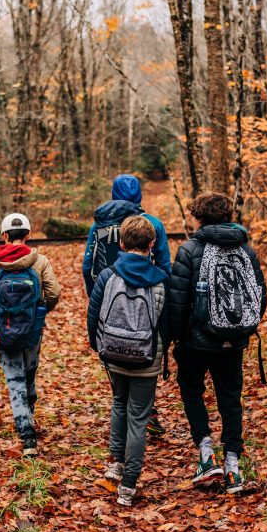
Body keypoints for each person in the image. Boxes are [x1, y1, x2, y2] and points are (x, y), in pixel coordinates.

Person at [168, 192, 267, 494]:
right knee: (230, 399)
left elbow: (178, 301)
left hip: (196, 341)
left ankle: (206, 454)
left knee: (191, 391)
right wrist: (241, 329)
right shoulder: (246, 250)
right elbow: (259, 295)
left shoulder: (189, 250)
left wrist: (173, 336)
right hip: (233, 343)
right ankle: (233, 469)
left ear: (198, 217)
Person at [87, 215, 170, 506]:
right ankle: (128, 486)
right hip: (147, 358)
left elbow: (93, 313)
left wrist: (99, 348)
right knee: (139, 417)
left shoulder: (109, 276)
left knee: (119, 403)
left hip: (113, 353)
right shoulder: (162, 281)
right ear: (152, 244)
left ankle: (115, 463)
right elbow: (168, 324)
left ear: (122, 244)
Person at [82, 173, 170, 436]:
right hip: (148, 300)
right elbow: (165, 265)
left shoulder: (98, 226)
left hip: (109, 300)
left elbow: (88, 266)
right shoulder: (153, 224)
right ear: (139, 194)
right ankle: (147, 411)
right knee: (145, 348)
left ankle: (122, 402)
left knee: (115, 347)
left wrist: (95, 295)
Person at [0, 213, 61, 457]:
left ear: (3, 236)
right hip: (32, 329)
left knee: (15, 380)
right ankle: (29, 413)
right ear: (28, 235)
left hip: (4, 329)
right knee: (29, 372)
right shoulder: (39, 261)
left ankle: (27, 436)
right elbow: (54, 293)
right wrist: (40, 313)